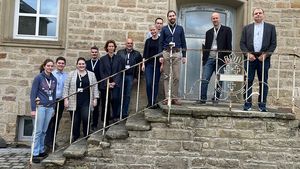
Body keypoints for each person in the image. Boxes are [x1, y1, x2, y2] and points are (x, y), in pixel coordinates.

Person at [240, 8, 277, 112]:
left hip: (264, 58)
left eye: (260, 13)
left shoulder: (271, 28)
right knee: (248, 81)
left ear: (263, 15)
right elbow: (242, 43)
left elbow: (273, 44)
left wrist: (265, 55)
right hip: (250, 58)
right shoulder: (247, 28)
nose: (258, 15)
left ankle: (262, 105)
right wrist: (247, 54)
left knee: (263, 82)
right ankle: (247, 104)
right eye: (256, 13)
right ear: (253, 16)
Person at [198, 12, 232, 104]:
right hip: (209, 58)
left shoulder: (227, 30)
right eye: (213, 18)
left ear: (219, 19)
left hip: (220, 59)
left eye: (216, 18)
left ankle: (216, 98)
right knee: (205, 79)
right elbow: (206, 47)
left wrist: (228, 57)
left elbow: (229, 45)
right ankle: (203, 99)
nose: (215, 20)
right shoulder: (208, 32)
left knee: (219, 80)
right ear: (211, 20)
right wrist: (204, 60)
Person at [63, 57, 99, 142]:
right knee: (75, 121)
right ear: (77, 65)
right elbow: (66, 87)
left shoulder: (91, 74)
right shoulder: (71, 74)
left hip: (86, 101)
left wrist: (95, 98)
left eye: (83, 64)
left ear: (85, 65)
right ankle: (76, 136)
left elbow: (95, 87)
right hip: (73, 101)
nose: (81, 65)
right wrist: (65, 99)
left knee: (86, 117)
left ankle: (86, 134)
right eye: (79, 64)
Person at [30, 59, 57, 163]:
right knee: (38, 131)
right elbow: (33, 94)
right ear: (44, 66)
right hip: (40, 107)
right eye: (48, 66)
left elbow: (54, 94)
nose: (50, 67)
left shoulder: (54, 79)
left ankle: (41, 150)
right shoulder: (38, 78)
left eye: (51, 66)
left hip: (49, 107)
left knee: (44, 131)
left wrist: (53, 107)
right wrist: (33, 109)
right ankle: (35, 153)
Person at [159, 10, 187, 105]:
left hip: (176, 53)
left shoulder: (180, 28)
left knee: (177, 76)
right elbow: (160, 42)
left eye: (173, 15)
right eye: (170, 16)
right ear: (168, 18)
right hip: (166, 53)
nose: (172, 17)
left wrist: (184, 56)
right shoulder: (164, 29)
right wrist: (160, 56)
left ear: (176, 17)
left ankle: (174, 97)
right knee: (166, 76)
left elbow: (183, 42)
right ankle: (167, 98)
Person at [45, 57, 68, 151]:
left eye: (63, 63)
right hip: (51, 101)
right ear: (56, 64)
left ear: (64, 65)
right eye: (59, 63)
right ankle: (46, 143)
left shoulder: (66, 75)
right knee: (49, 121)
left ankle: (52, 141)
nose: (61, 64)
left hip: (61, 101)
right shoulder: (51, 74)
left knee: (56, 121)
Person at [99, 40, 124, 123]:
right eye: (109, 46)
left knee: (115, 99)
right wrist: (107, 83)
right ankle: (106, 120)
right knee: (105, 101)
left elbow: (120, 71)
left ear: (114, 48)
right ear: (107, 48)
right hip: (105, 84)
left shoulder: (119, 58)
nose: (111, 48)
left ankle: (115, 116)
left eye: (112, 46)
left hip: (115, 84)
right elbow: (101, 72)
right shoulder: (102, 59)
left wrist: (114, 83)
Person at [116, 38, 142, 118]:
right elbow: (116, 65)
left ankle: (124, 113)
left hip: (130, 76)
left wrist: (137, 77)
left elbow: (140, 66)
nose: (129, 45)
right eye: (128, 43)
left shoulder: (137, 54)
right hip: (121, 76)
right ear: (125, 44)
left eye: (131, 43)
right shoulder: (120, 53)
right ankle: (118, 112)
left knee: (127, 95)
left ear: (132, 44)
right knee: (119, 94)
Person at [142, 25, 163, 109]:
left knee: (156, 83)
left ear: (157, 30)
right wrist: (143, 64)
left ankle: (153, 102)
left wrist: (162, 65)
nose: (153, 31)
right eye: (151, 30)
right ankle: (149, 101)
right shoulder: (148, 41)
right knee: (149, 83)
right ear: (150, 31)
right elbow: (145, 54)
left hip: (158, 65)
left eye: (154, 30)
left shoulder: (161, 41)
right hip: (149, 65)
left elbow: (162, 54)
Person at [86, 46, 101, 130]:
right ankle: (87, 125)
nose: (94, 53)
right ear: (90, 53)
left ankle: (94, 124)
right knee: (87, 107)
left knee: (96, 107)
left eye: (95, 52)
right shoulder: (86, 63)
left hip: (97, 88)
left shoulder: (100, 62)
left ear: (97, 53)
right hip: (87, 88)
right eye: (93, 52)